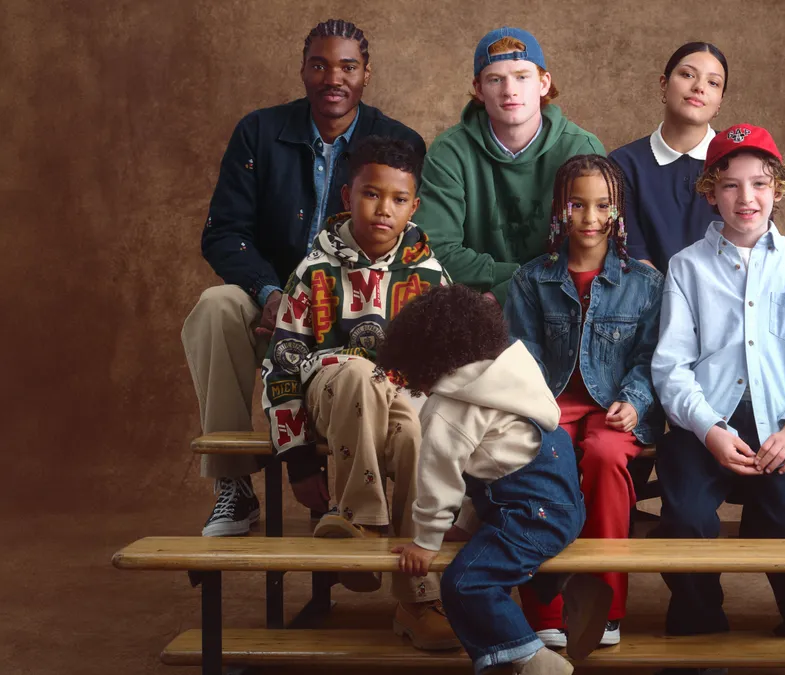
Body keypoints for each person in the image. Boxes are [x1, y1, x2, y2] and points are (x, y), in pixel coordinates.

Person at [182, 18, 425, 537]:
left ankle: (364, 502)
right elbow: (224, 232)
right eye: (319, 65)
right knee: (215, 307)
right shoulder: (260, 132)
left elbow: (401, 248)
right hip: (267, 294)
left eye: (347, 67)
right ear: (302, 70)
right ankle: (233, 486)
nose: (332, 78)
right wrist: (272, 294)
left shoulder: (397, 141)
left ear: (366, 75)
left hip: (352, 309)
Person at [650, 124, 785, 674]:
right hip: (704, 423)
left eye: (759, 184)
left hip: (782, 423)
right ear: (711, 192)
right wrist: (709, 429)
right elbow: (671, 367)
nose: (746, 198)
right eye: (730, 186)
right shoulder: (687, 267)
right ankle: (699, 623)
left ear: (778, 188)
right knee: (685, 517)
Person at [260, 136, 455, 650]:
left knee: (413, 431)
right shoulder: (313, 271)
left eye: (397, 199)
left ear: (414, 206)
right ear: (347, 196)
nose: (383, 209)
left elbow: (448, 369)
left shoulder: (429, 277)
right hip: (329, 399)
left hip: (396, 406)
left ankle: (417, 596)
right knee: (355, 373)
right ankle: (361, 522)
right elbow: (280, 366)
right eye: (371, 194)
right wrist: (298, 460)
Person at [380, 284, 612, 675]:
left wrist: (426, 541)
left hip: (528, 515)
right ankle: (570, 588)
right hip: (565, 505)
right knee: (498, 554)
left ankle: (532, 660)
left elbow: (440, 481)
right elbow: (491, 463)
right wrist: (465, 525)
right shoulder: (510, 371)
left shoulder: (446, 409)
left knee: (466, 583)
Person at [505, 155, 664, 648]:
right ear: (560, 209)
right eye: (578, 204)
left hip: (613, 407)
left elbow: (651, 357)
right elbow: (522, 354)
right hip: (548, 404)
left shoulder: (644, 282)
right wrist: (533, 409)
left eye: (602, 206)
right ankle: (546, 612)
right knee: (534, 459)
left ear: (617, 212)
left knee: (604, 455)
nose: (590, 218)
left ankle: (605, 606)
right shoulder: (532, 281)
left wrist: (636, 401)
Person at [416, 27, 605, 305]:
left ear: (543, 83)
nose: (509, 91)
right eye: (495, 79)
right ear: (479, 89)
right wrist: (520, 279)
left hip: (561, 304)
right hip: (471, 305)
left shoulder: (581, 150)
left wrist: (502, 294)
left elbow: (589, 250)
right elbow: (435, 250)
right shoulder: (449, 151)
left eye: (521, 77)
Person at [610, 42, 727, 272]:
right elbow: (632, 253)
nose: (699, 87)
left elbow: (755, 244)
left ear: (719, 103)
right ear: (664, 84)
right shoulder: (623, 164)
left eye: (713, 82)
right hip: (652, 300)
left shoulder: (739, 157)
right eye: (687, 74)